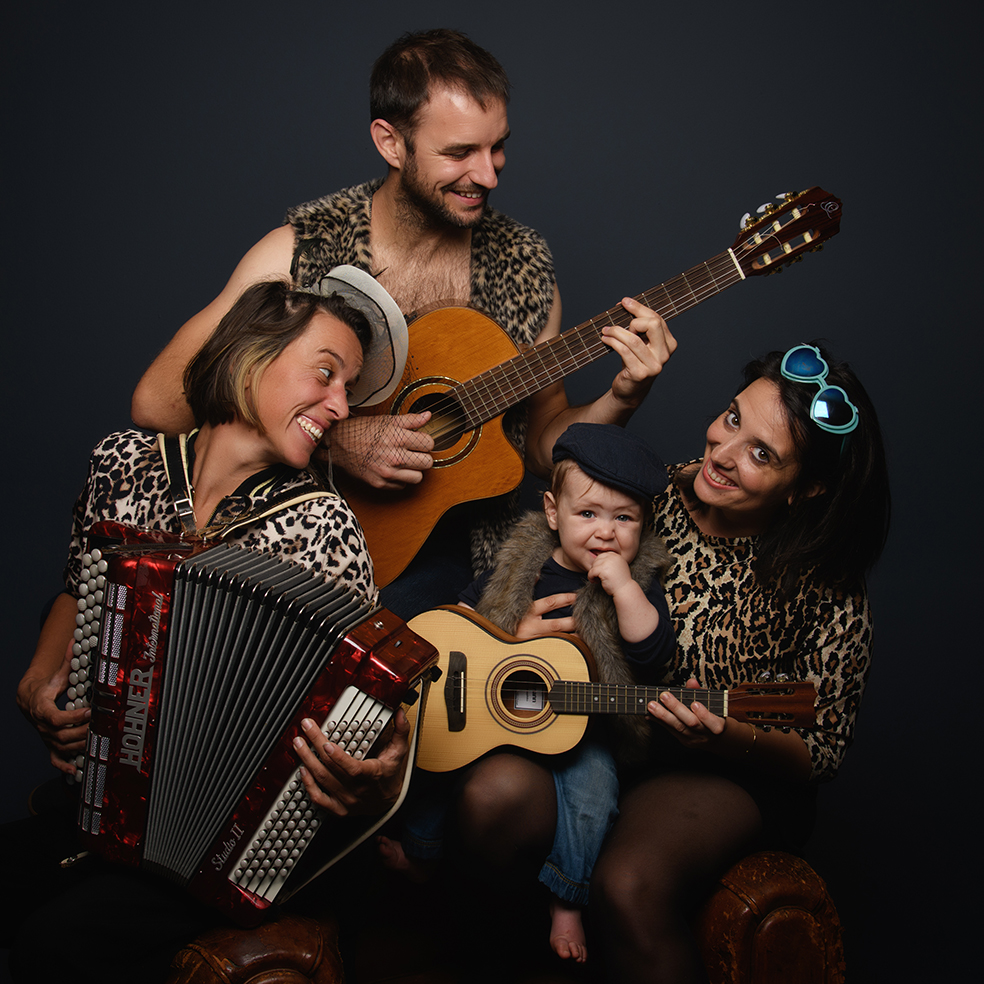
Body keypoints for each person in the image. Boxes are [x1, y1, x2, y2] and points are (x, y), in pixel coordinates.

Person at [129, 28, 675, 618]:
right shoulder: (300, 256)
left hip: (436, 556)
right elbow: (160, 405)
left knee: (410, 659)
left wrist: (623, 396)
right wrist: (334, 441)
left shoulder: (527, 278)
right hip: (281, 528)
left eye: (498, 148)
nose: (489, 175)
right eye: (460, 152)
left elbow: (544, 447)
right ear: (391, 143)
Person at [7, 267, 413, 982]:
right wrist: (40, 680)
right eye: (326, 373)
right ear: (255, 354)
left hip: (231, 843)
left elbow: (366, 702)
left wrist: (379, 773)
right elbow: (78, 586)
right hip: (103, 800)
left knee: (57, 943)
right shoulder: (123, 465)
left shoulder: (323, 524)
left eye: (350, 389)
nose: (341, 405)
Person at [587, 342, 891, 984]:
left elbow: (823, 746)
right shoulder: (651, 496)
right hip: (613, 733)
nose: (722, 455)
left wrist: (731, 737)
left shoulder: (825, 583)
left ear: (805, 487)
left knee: (627, 882)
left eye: (761, 453)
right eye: (731, 419)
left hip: (732, 772)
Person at [381, 422, 676, 964]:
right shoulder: (525, 565)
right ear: (551, 512)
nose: (606, 533)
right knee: (440, 755)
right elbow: (468, 612)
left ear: (643, 527)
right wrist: (478, 635)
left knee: (593, 795)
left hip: (586, 725)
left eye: (624, 519)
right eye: (588, 514)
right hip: (508, 709)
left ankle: (567, 898)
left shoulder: (638, 582)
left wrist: (627, 589)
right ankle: (422, 853)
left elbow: (653, 653)